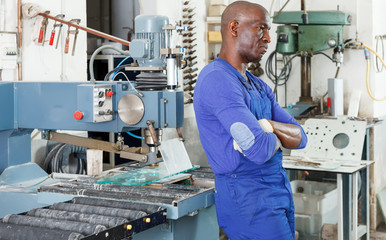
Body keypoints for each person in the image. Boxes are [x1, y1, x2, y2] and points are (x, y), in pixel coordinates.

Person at [193, 1, 308, 239]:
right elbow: (256, 149)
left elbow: (301, 136)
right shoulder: (217, 79)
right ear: (234, 28)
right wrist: (277, 136)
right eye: (260, 29)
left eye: (269, 31)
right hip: (248, 198)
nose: (268, 38)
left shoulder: (257, 85)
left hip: (276, 188)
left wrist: (268, 127)